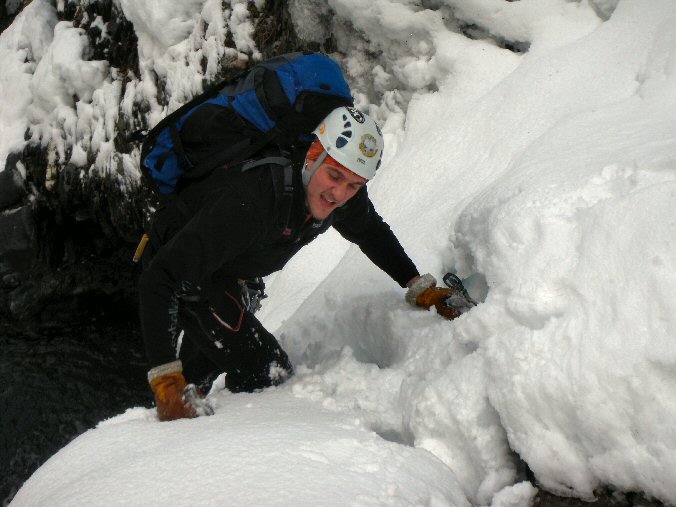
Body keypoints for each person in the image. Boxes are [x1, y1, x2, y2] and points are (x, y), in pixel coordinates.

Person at [138, 106, 458, 421]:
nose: (339, 193)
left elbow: (370, 232)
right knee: (268, 371)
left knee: (212, 360)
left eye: (354, 185)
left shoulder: (340, 193)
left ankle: (188, 411)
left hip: (230, 268)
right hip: (186, 271)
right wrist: (164, 377)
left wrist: (418, 286)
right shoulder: (252, 199)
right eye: (334, 176)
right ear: (313, 153)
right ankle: (215, 436)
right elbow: (160, 278)